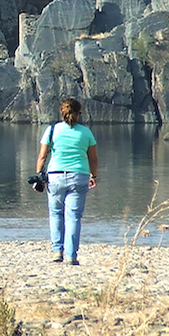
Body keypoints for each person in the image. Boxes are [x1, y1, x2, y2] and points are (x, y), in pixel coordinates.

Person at [36, 98, 98, 265]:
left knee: (56, 213)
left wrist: (38, 176)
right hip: (79, 176)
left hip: (55, 176)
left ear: (62, 112)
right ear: (79, 113)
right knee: (74, 217)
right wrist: (94, 176)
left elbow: (42, 156)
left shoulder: (52, 130)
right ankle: (71, 255)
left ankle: (57, 251)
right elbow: (93, 159)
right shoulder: (86, 132)